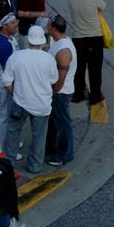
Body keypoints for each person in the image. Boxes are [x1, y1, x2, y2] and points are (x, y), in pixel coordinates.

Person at [1, 25, 59, 175]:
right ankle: (35, 166)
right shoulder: (48, 59)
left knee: (13, 132)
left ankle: (9, 162)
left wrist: (14, 94)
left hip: (20, 102)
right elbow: (54, 79)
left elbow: (7, 81)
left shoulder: (16, 57)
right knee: (39, 135)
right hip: (41, 105)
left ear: (28, 40)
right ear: (42, 41)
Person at [68, 0, 106, 105]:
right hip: (94, 37)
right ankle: (95, 95)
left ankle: (78, 93)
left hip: (78, 38)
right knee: (95, 68)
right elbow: (103, 7)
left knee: (79, 67)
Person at [45, 13, 77, 166]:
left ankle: (64, 154)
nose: (46, 26)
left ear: (53, 28)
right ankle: (51, 148)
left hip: (60, 92)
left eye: (48, 25)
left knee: (63, 124)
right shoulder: (60, 42)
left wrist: (53, 91)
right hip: (58, 91)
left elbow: (61, 77)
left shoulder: (63, 51)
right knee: (54, 122)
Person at [0, 13, 19, 158]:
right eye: (13, 23)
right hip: (3, 86)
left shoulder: (8, 39)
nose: (16, 25)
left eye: (15, 22)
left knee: (5, 115)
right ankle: (2, 147)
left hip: (3, 84)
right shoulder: (3, 45)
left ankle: (8, 141)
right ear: (4, 26)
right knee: (3, 116)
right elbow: (8, 70)